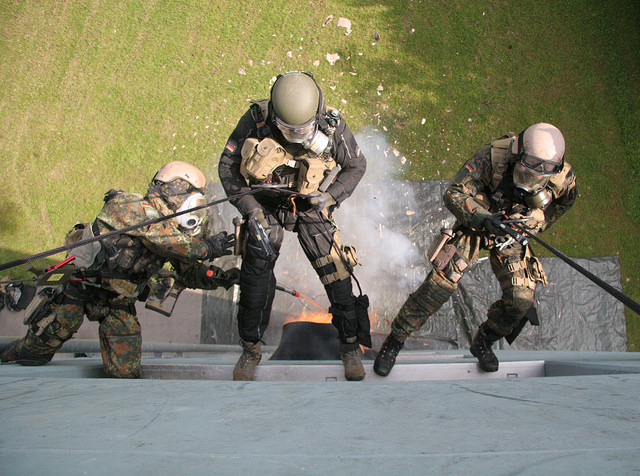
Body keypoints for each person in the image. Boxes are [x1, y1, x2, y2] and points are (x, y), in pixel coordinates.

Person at [0, 161, 238, 378]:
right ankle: (10, 352)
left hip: (117, 300)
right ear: (175, 190)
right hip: (78, 288)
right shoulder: (129, 206)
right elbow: (160, 237)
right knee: (33, 354)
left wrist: (226, 278)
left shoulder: (174, 235)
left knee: (125, 373)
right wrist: (206, 248)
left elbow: (189, 272)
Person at [374, 123, 578, 375]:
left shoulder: (561, 177)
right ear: (518, 154)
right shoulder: (493, 158)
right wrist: (483, 218)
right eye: (527, 169)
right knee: (438, 286)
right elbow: (454, 193)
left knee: (520, 301)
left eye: (542, 173)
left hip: (512, 232)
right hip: (477, 224)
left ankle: (483, 342)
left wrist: (538, 223)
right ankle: (395, 341)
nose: (533, 178)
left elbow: (566, 200)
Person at [218, 71, 371, 381]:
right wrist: (251, 210)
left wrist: (330, 197)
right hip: (265, 204)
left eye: (302, 130)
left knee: (337, 272)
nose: (295, 136)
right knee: (255, 276)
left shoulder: (332, 126)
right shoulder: (256, 120)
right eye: (288, 130)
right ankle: (250, 348)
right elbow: (227, 167)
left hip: (310, 203)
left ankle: (349, 345)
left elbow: (356, 165)